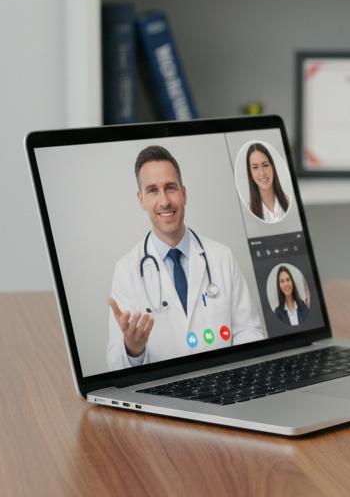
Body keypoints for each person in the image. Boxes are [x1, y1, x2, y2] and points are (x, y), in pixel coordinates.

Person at [106, 145, 266, 370]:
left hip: (223, 382)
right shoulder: (126, 270)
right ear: (141, 200)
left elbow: (249, 331)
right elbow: (116, 364)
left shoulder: (222, 257)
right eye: (153, 191)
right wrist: (133, 348)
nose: (164, 201)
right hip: (164, 388)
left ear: (184, 193)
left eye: (170, 188)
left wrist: (237, 376)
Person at [245, 142, 290, 223]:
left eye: (265, 165)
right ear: (250, 173)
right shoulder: (248, 214)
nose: (262, 173)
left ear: (273, 167)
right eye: (255, 167)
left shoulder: (290, 204)